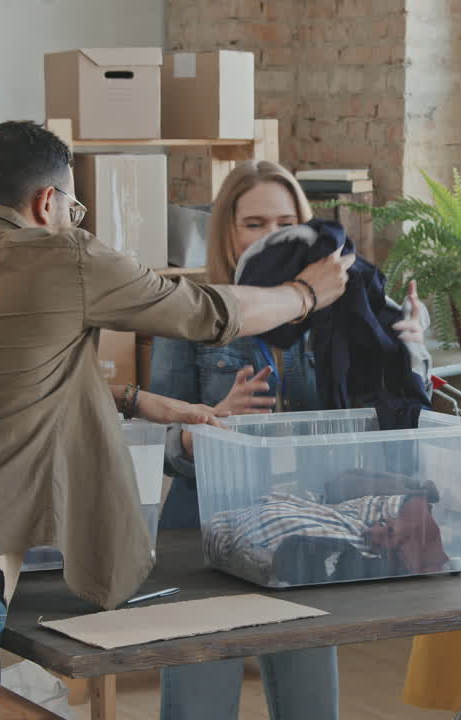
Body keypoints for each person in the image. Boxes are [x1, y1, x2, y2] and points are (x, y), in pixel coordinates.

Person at [0, 121, 354, 720]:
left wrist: (134, 398)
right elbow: (210, 312)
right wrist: (305, 293)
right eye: (74, 206)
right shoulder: (65, 255)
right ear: (47, 201)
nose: (74, 218)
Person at [149, 160, 430, 720]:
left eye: (285, 221)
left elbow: (385, 419)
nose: (273, 236)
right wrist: (205, 424)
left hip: (306, 529)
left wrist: (412, 346)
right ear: (226, 232)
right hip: (203, 537)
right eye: (254, 223)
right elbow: (157, 445)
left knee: (311, 708)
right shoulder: (189, 312)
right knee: (199, 707)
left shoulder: (343, 314)